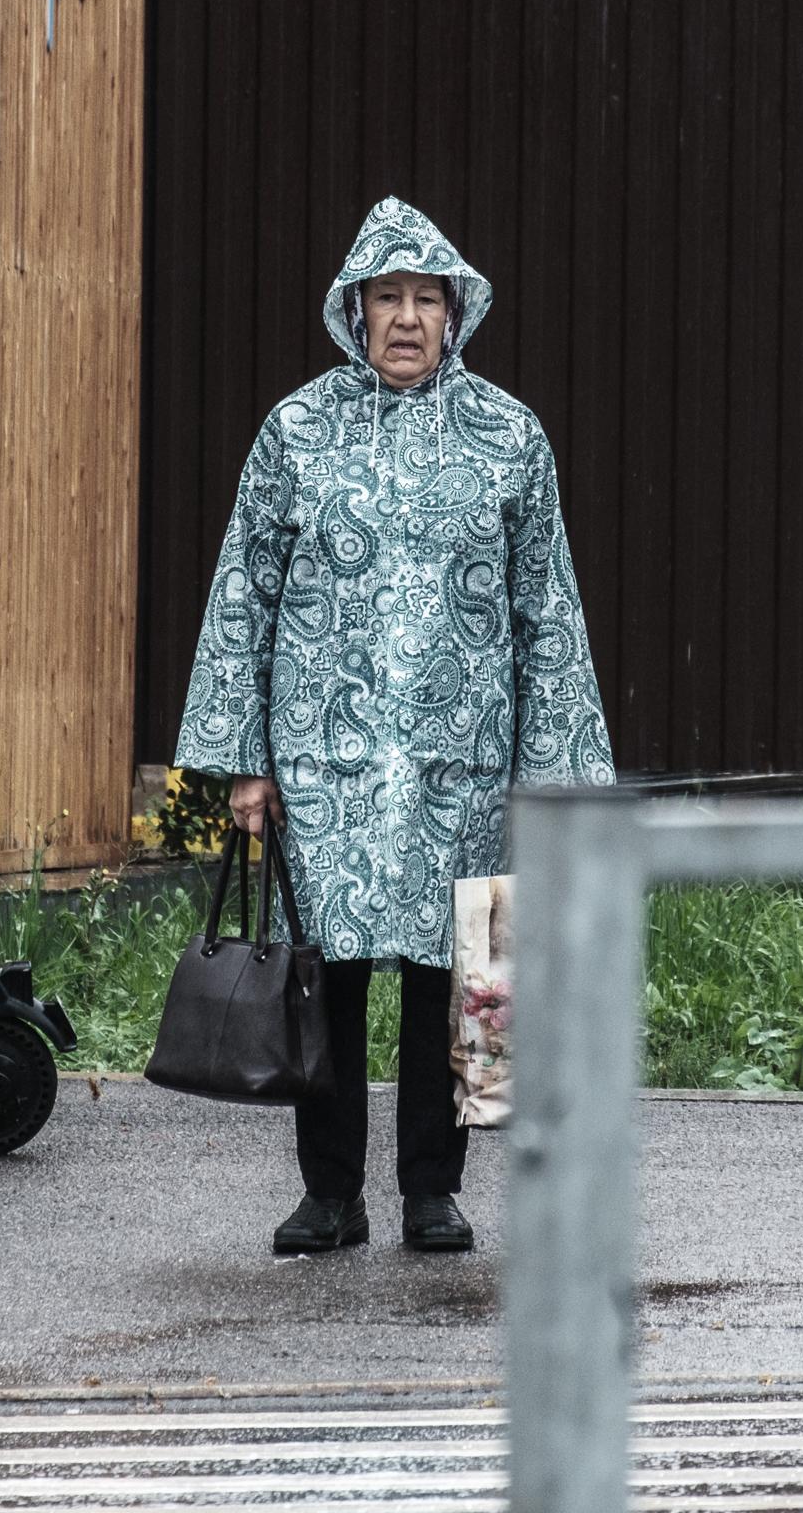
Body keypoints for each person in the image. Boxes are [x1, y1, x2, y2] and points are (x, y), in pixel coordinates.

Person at [176, 196, 614, 1256]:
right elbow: (247, 590)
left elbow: (545, 607)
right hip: (324, 759)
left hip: (462, 757)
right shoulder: (298, 430)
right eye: (388, 298)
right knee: (324, 976)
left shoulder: (510, 439)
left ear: (457, 314)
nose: (407, 318)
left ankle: (434, 1189)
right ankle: (330, 1194)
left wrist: (557, 773)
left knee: (454, 969)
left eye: (427, 299)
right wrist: (243, 762)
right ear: (354, 310)